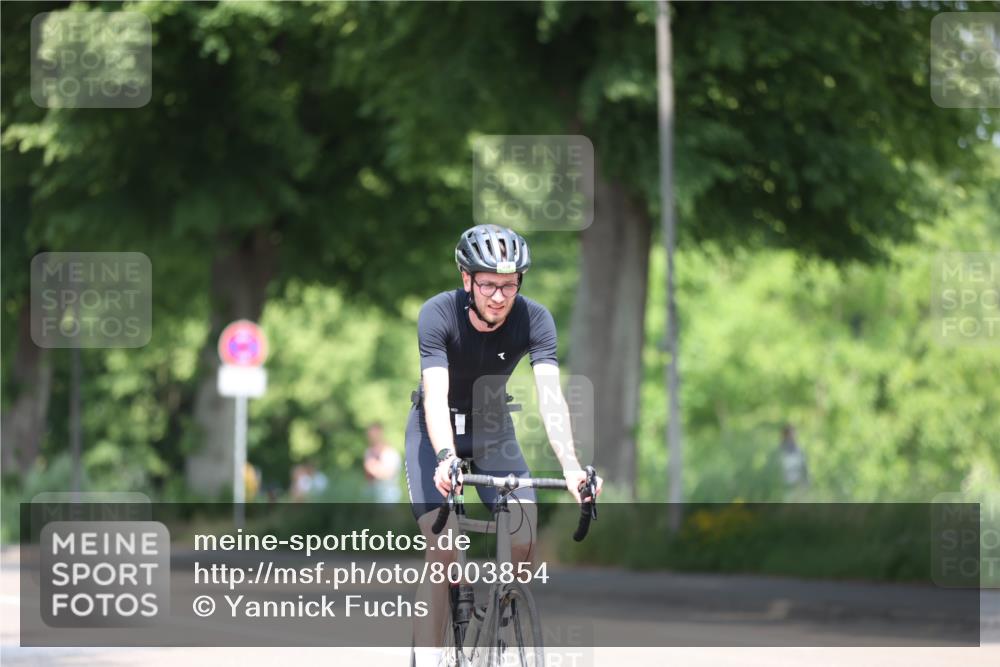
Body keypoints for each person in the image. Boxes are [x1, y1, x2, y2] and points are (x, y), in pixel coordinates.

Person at [406, 223, 603, 667]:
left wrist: (572, 467)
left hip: (494, 427)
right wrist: (444, 458)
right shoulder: (437, 313)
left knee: (524, 535)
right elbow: (435, 394)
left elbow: (551, 398)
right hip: (434, 432)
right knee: (444, 551)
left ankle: (499, 613)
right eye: (489, 284)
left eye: (509, 285)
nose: (499, 296)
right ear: (467, 280)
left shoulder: (535, 320)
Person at [363, 421, 402, 502]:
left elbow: (388, 474)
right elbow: (368, 477)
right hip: (372, 493)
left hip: (388, 494)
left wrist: (372, 467)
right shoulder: (369, 452)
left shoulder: (390, 453)